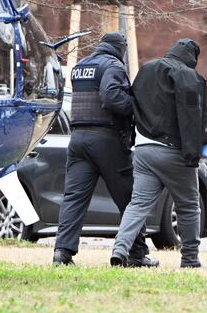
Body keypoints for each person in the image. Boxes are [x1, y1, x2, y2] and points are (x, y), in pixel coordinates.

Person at [52, 32, 157, 267]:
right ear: (120, 48)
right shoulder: (113, 65)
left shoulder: (81, 66)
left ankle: (62, 253)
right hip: (106, 139)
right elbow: (111, 98)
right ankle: (136, 254)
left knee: (74, 198)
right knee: (130, 198)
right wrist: (137, 107)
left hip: (78, 139)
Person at [111, 39, 207, 268]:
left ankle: (120, 249)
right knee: (189, 206)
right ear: (193, 57)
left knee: (138, 205)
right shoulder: (189, 77)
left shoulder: (145, 70)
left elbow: (132, 104)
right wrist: (192, 154)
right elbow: (192, 117)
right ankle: (190, 259)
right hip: (174, 152)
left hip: (144, 150)